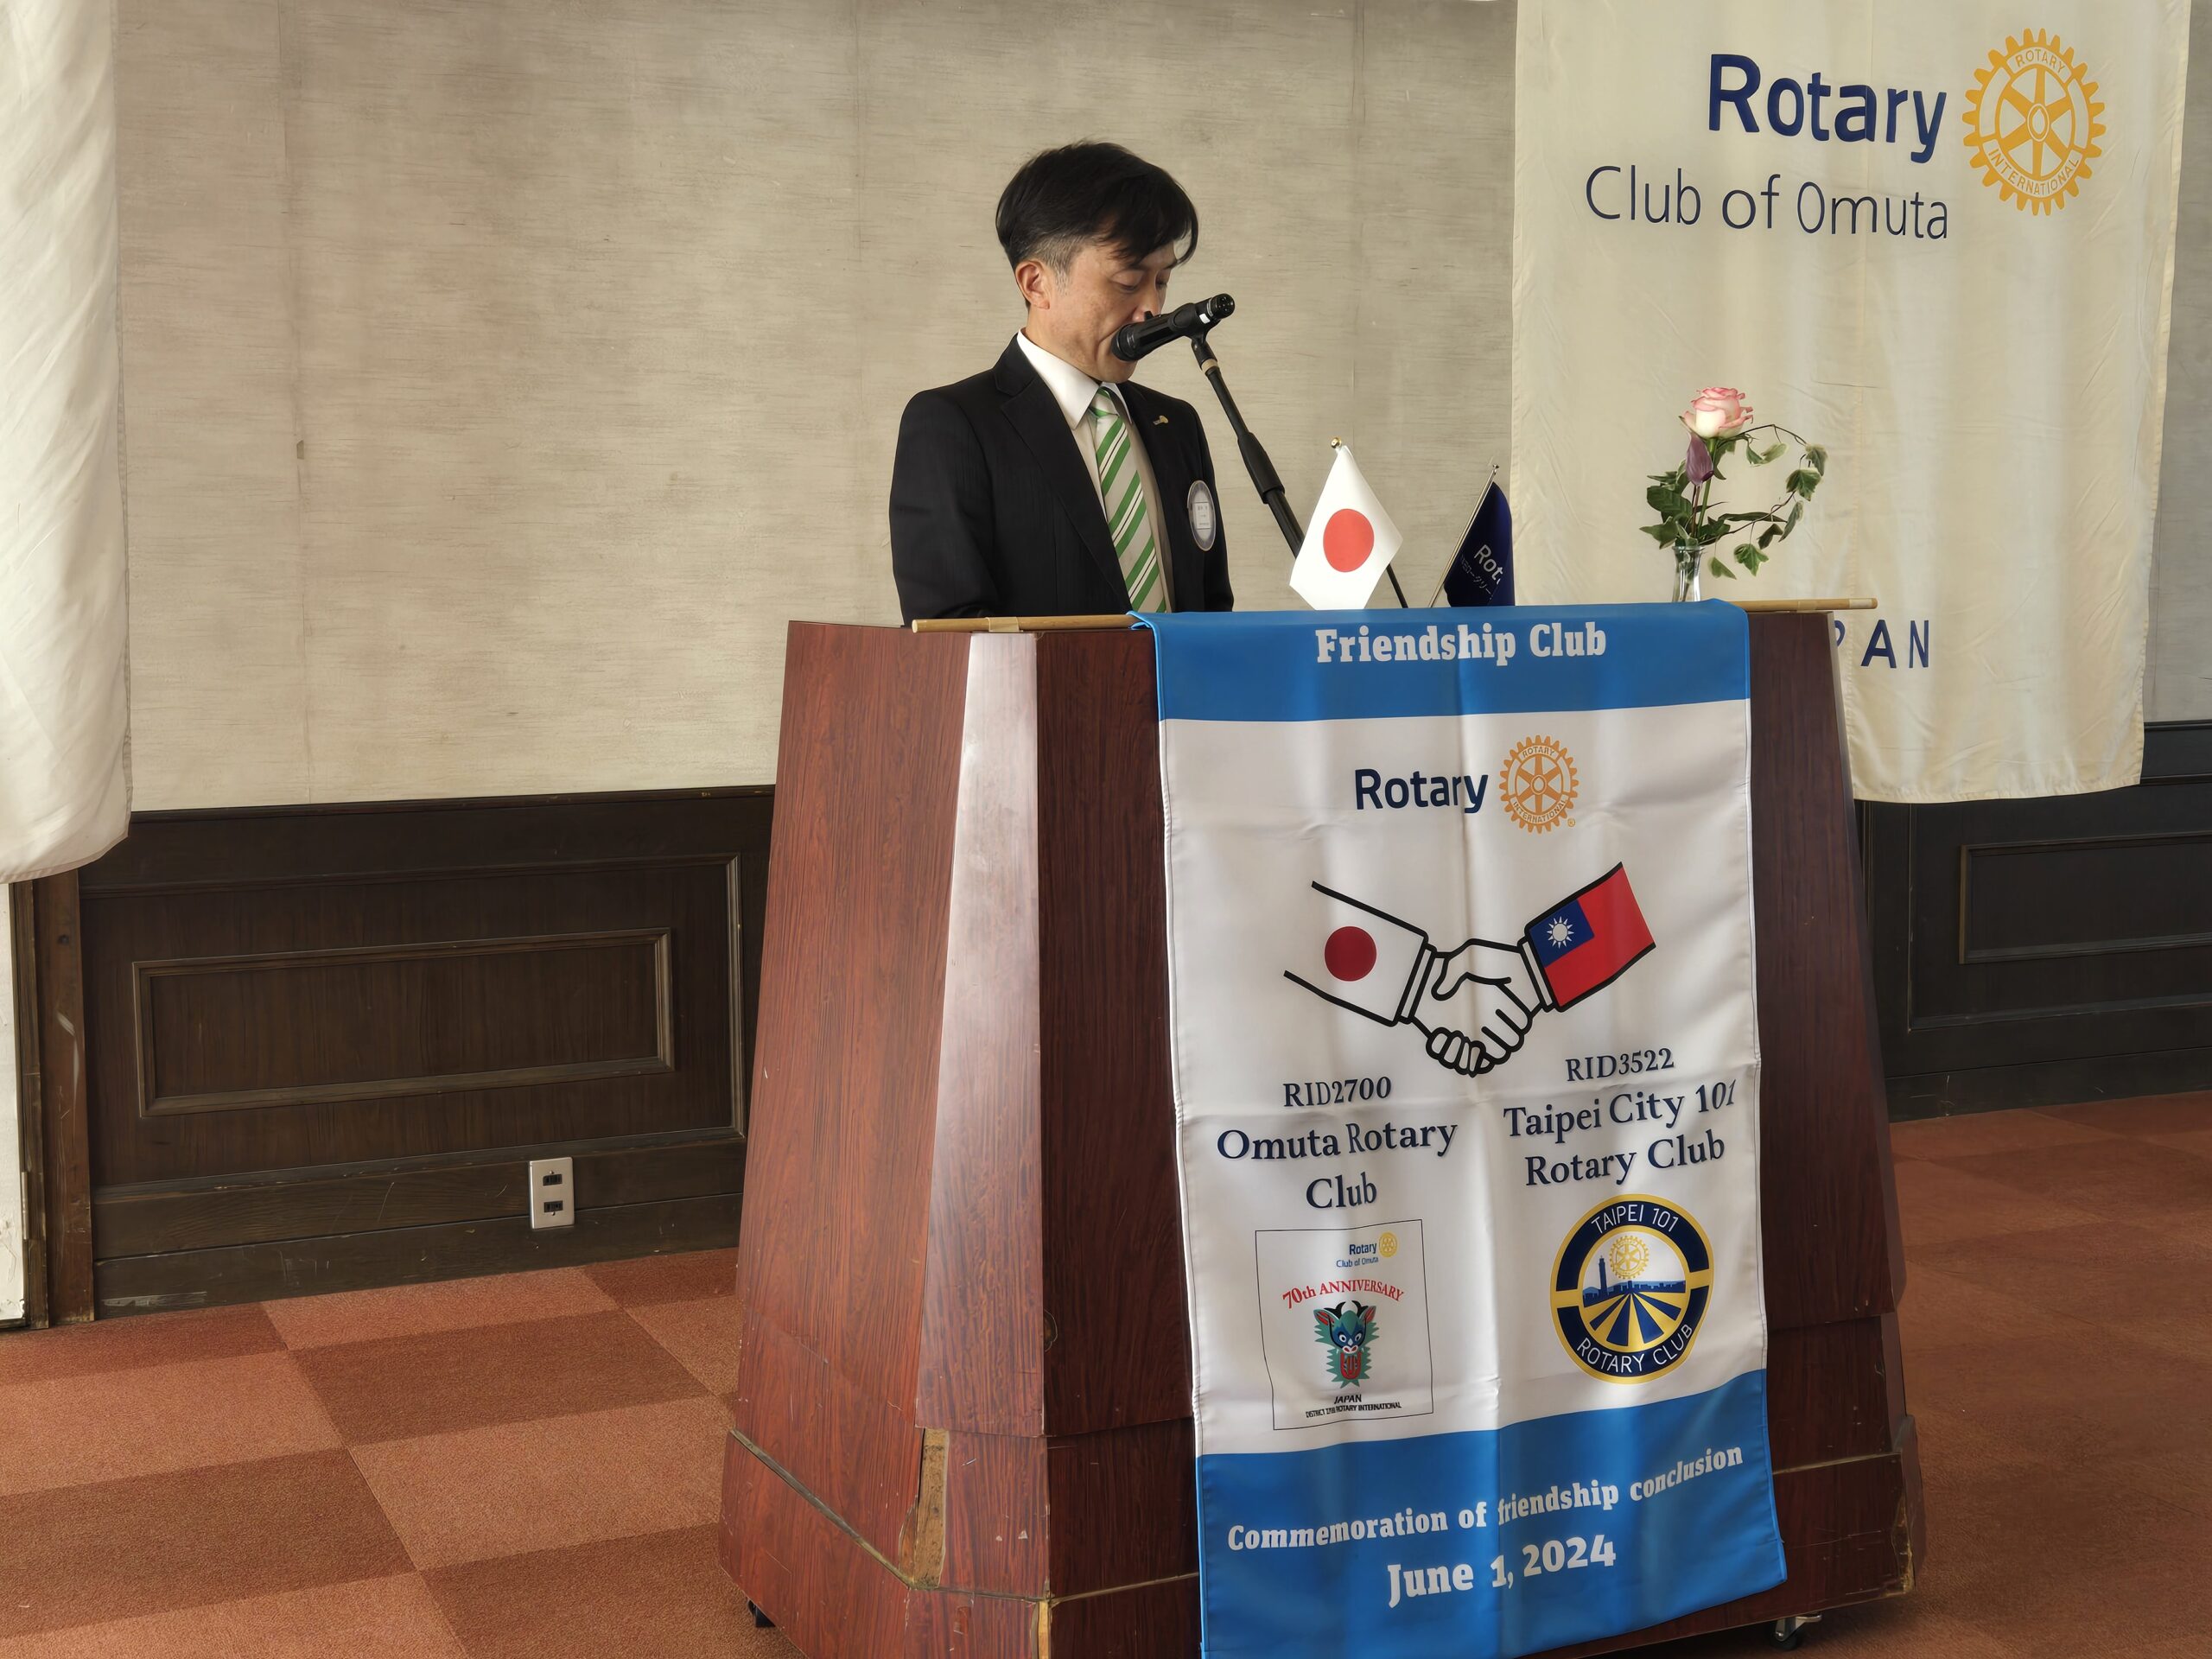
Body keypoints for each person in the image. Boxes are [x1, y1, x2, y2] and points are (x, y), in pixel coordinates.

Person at [890, 141, 1235, 622]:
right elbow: (951, 637)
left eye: (1162, 281)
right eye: (1128, 281)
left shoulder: (1177, 425)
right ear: (1036, 283)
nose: (1153, 309)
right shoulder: (953, 426)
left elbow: (1212, 610)